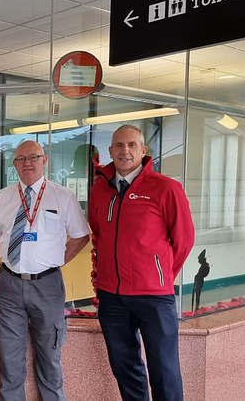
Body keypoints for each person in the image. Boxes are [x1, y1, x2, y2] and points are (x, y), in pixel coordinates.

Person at [88, 124, 195, 401]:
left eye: (132, 145)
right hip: (112, 296)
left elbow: (183, 240)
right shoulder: (100, 190)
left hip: (154, 297)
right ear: (110, 151)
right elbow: (98, 233)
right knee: (125, 367)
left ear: (143, 151)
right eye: (119, 145)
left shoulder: (166, 188)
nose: (125, 151)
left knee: (164, 369)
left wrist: (161, 275)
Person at [0, 141, 90, 401]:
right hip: (9, 285)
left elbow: (80, 237)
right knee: (9, 358)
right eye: (21, 159)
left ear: (45, 161)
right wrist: (12, 259)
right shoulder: (3, 197)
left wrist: (55, 261)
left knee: (50, 355)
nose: (27, 163)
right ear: (14, 164)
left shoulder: (62, 196)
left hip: (47, 285)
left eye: (33, 157)